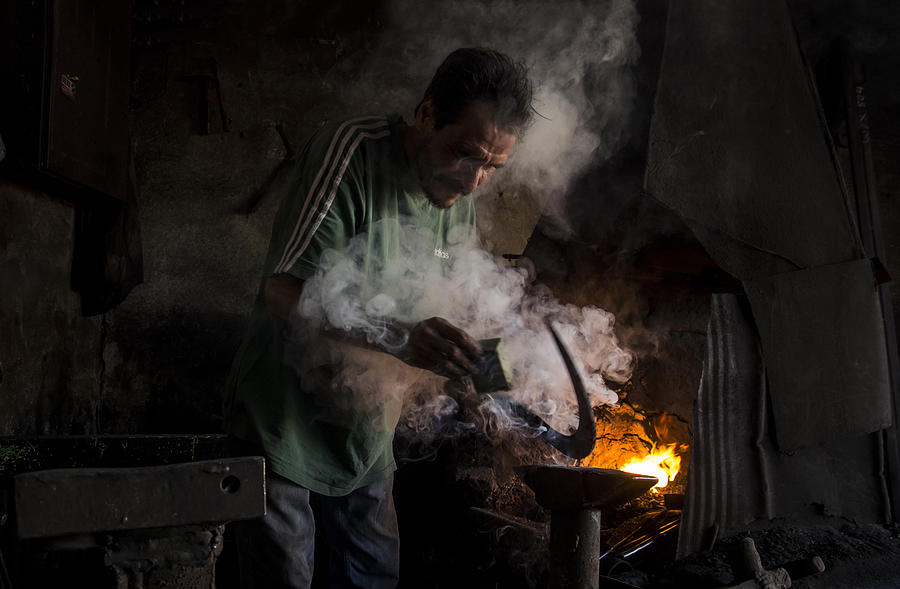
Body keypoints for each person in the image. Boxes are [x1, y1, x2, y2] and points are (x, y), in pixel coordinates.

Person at [223, 47, 534, 588]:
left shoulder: (458, 200)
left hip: (367, 441)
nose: (474, 181)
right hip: (284, 430)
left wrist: (501, 386)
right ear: (427, 112)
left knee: (374, 579)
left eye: (493, 167)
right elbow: (280, 290)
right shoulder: (351, 152)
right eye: (466, 154)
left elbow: (454, 308)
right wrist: (398, 337)